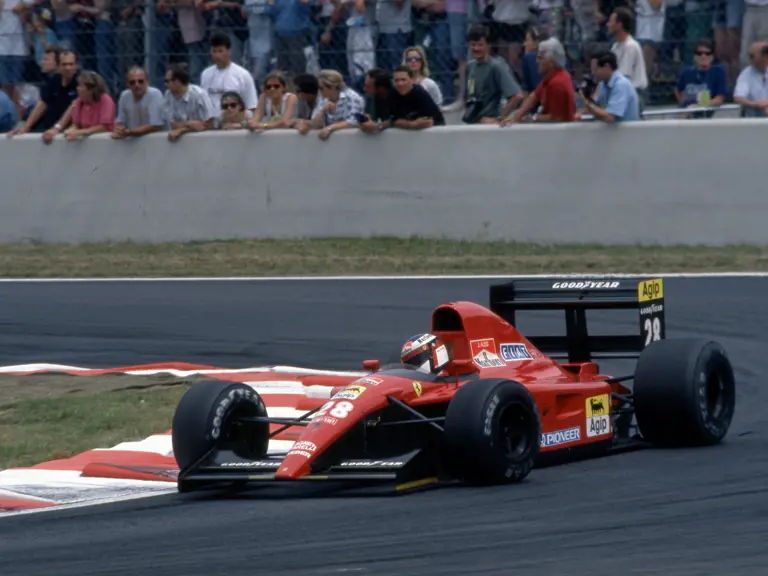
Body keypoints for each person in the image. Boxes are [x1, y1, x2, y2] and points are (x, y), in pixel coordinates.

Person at [577, 51, 641, 123]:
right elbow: (594, 107)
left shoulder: (621, 85)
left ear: (607, 67)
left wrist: (586, 103)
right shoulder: (602, 84)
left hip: (628, 133)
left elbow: (610, 117)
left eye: (595, 69)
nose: (593, 73)